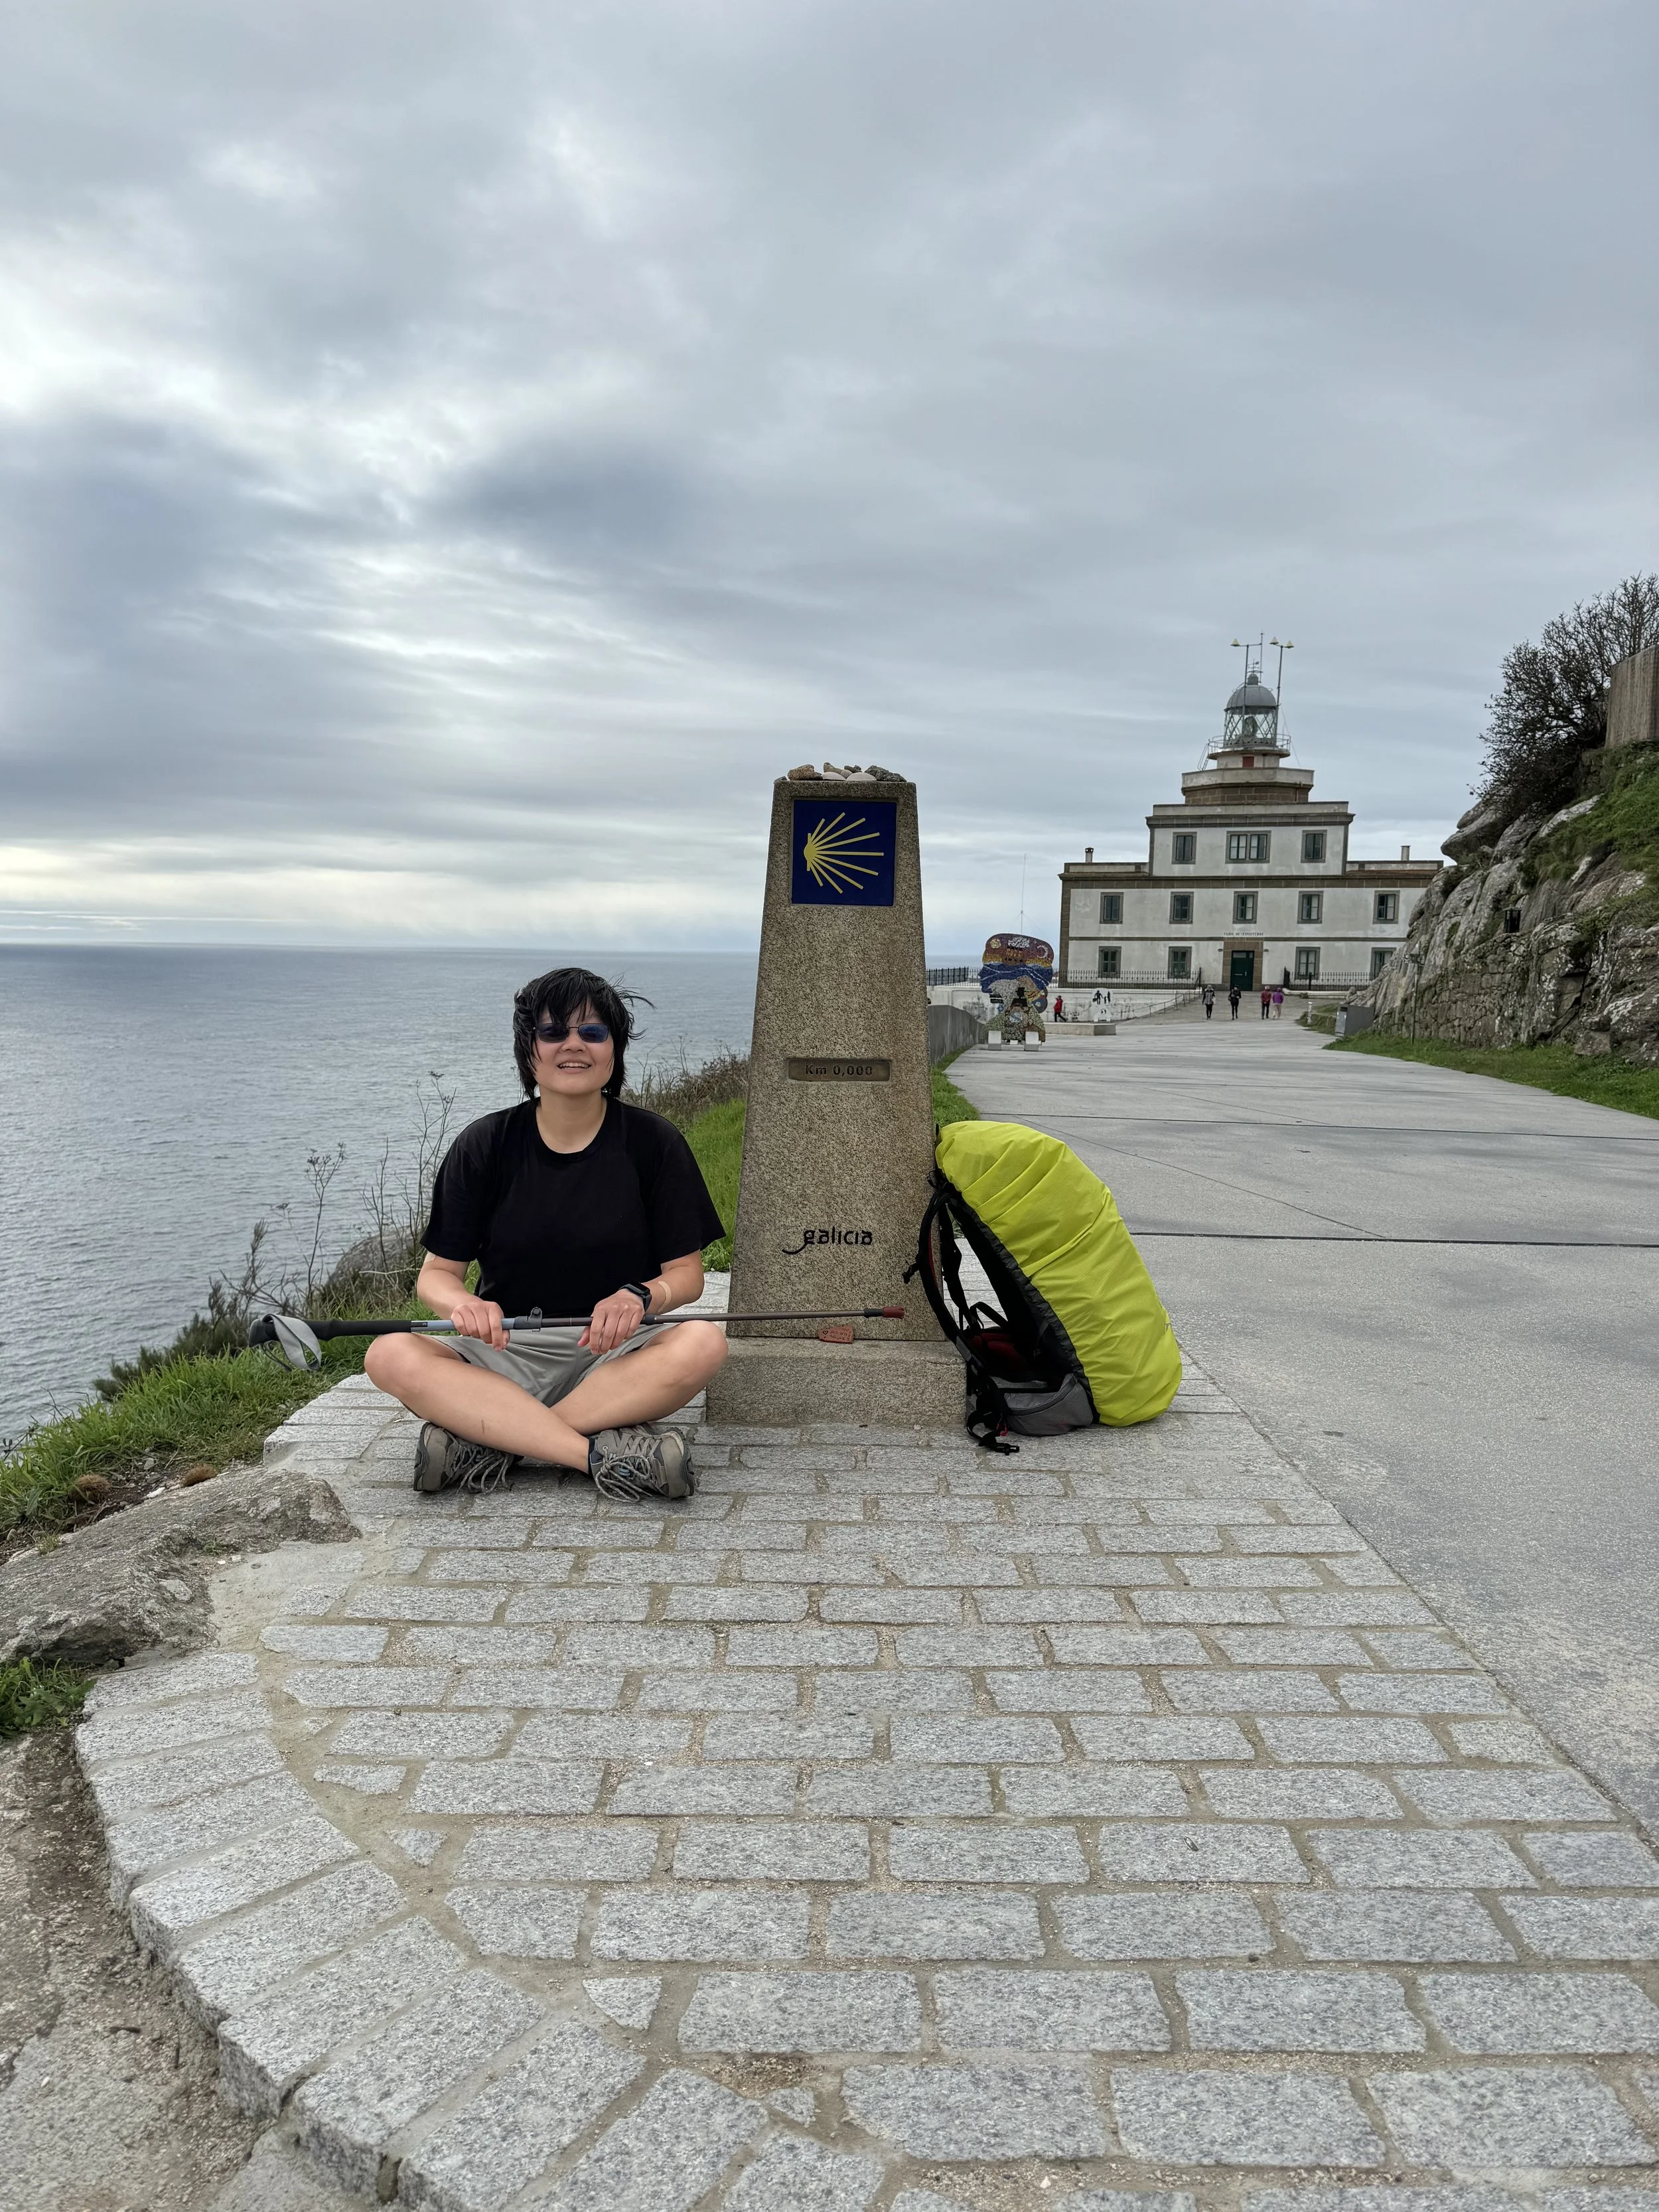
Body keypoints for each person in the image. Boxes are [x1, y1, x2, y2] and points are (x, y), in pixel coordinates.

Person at [364, 966, 727, 1501]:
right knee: (388, 1354)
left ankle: (492, 1440)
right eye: (553, 1032)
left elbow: (686, 1275)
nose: (573, 1045)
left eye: (593, 1032)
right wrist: (463, 1305)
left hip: (618, 1355)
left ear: (613, 1050)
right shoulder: (483, 1144)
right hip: (503, 1352)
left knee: (704, 1342)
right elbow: (438, 1276)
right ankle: (598, 1456)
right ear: (529, 1050)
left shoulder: (655, 1142)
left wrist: (644, 1295)